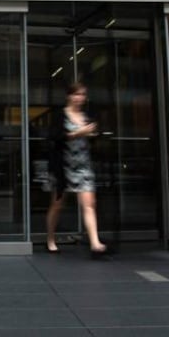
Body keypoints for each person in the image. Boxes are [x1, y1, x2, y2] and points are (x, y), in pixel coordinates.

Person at [43, 82, 112, 259]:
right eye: (76, 94)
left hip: (83, 165)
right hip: (63, 166)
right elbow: (54, 136)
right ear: (69, 96)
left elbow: (92, 139)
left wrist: (93, 135)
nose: (79, 98)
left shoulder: (86, 116)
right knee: (57, 205)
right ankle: (50, 239)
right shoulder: (60, 115)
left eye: (82, 95)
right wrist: (78, 133)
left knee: (89, 204)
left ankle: (95, 243)